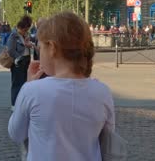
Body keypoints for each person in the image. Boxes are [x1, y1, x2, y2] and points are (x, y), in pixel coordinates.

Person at [8, 12, 115, 161]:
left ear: (52, 47)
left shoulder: (33, 90)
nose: (39, 52)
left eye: (40, 47)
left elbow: (16, 133)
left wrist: (28, 85)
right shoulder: (102, 92)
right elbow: (108, 138)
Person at [7, 15, 33, 108]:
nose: (26, 31)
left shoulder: (25, 35)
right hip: (18, 61)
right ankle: (14, 104)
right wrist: (18, 57)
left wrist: (28, 44)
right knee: (17, 83)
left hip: (26, 60)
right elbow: (10, 49)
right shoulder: (14, 35)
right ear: (20, 27)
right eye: (25, 29)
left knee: (24, 83)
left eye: (27, 30)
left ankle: (21, 103)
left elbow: (26, 46)